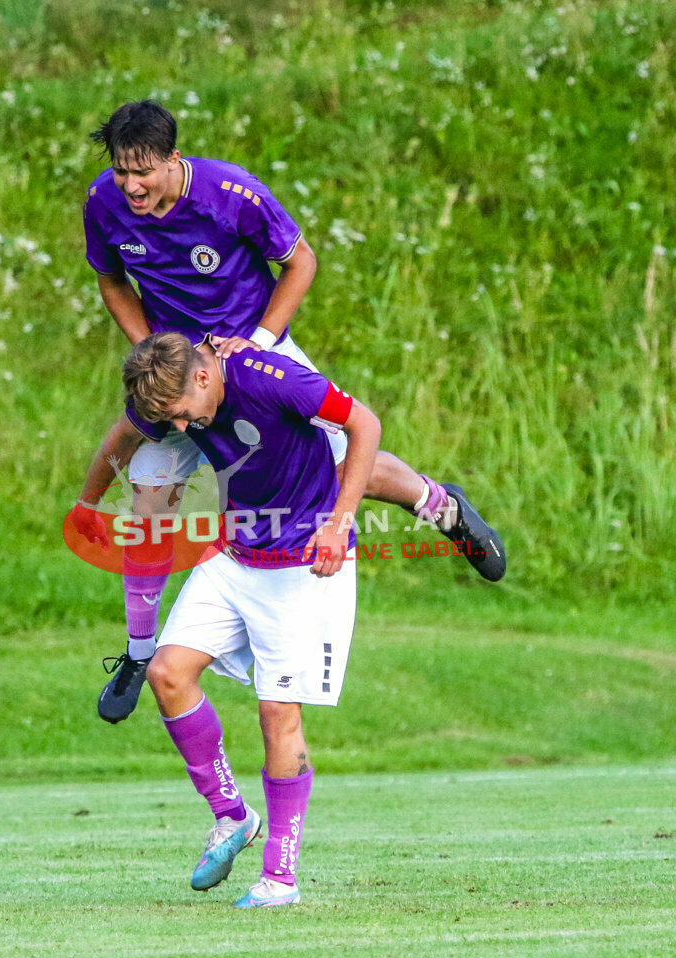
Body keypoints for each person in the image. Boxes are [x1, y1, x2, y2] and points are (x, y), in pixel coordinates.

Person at [79, 99, 505, 727]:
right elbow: (112, 280)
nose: (132, 186)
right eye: (122, 172)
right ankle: (140, 654)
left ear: (173, 159)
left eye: (143, 172)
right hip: (179, 373)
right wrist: (152, 354)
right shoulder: (104, 202)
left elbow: (301, 261)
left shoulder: (231, 193)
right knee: (147, 499)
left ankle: (443, 507)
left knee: (344, 465)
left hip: (256, 349)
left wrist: (259, 340)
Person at [74, 331, 503, 906]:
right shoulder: (177, 387)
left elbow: (365, 424)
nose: (178, 428)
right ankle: (232, 816)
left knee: (278, 714)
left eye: (179, 415)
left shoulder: (271, 379)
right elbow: (127, 435)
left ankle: (279, 879)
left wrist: (338, 523)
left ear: (203, 377)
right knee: (167, 673)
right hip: (235, 555)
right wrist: (89, 500)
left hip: (304, 566)